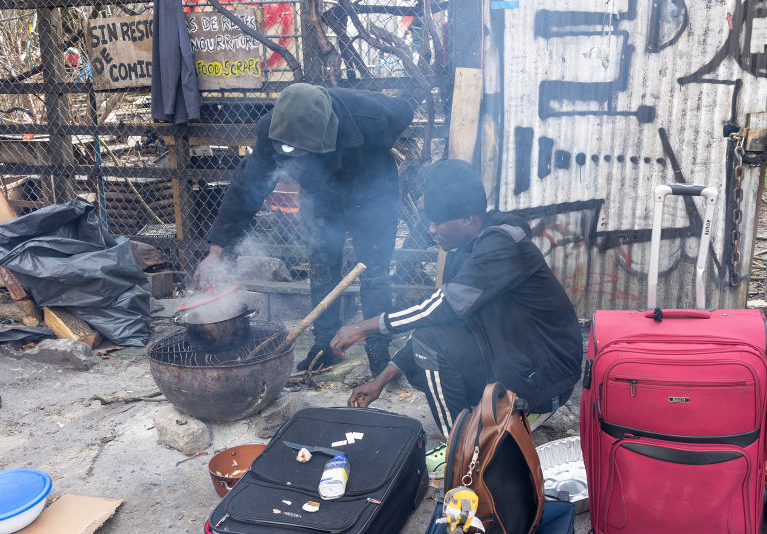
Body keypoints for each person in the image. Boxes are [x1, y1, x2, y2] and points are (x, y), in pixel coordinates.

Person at [330, 159, 582, 443]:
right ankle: (480, 419)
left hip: (546, 379)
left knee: (430, 346)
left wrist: (365, 327)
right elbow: (441, 317)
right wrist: (381, 380)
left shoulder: (500, 246)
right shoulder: (463, 248)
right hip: (517, 357)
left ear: (467, 219)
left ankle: (461, 448)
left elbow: (442, 305)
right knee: (423, 352)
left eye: (438, 221)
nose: (431, 230)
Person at [195, 83, 414, 376]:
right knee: (322, 265)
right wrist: (216, 251)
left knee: (373, 269)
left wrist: (373, 158)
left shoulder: (371, 115)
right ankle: (325, 343)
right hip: (320, 194)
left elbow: (406, 110)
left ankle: (377, 343)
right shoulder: (271, 130)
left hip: (372, 190)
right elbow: (246, 186)